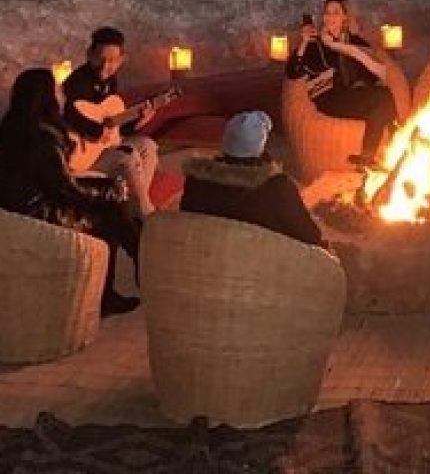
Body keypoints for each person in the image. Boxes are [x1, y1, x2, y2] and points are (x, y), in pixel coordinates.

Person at [0, 69, 141, 316]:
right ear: (46, 97)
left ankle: (138, 253)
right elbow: (65, 190)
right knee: (110, 211)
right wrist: (109, 191)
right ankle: (109, 292)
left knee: (110, 195)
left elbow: (56, 183)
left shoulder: (12, 129)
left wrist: (105, 189)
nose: (62, 94)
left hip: (16, 212)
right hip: (37, 217)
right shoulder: (43, 138)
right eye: (56, 89)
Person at [180, 110, 327, 248]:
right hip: (258, 266)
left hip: (207, 255)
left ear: (226, 141)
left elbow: (187, 221)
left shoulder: (197, 180)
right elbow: (309, 235)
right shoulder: (277, 188)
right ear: (261, 146)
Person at [285, 0, 397, 169]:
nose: (329, 17)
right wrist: (303, 43)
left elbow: (377, 71)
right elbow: (292, 72)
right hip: (329, 98)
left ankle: (368, 158)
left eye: (335, 12)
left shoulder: (354, 41)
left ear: (345, 17)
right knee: (382, 101)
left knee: (382, 103)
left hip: (351, 95)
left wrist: (344, 49)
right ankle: (389, 143)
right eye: (327, 13)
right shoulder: (315, 45)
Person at [62, 27, 159, 217]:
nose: (106, 66)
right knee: (127, 157)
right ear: (89, 54)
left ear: (122, 59)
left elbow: (114, 125)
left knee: (148, 146)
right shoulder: (76, 83)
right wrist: (96, 131)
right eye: (101, 58)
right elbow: (66, 114)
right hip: (82, 155)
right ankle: (146, 215)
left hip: (104, 146)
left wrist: (139, 120)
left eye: (113, 61)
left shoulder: (111, 82)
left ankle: (136, 207)